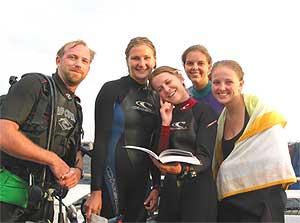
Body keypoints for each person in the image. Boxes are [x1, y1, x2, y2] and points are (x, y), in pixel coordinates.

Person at [0, 40, 95, 222]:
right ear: (58, 60)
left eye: (84, 61)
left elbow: (76, 153)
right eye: (72, 57)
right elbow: (4, 133)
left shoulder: (76, 108)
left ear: (88, 69)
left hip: (42, 203)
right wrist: (52, 159)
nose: (78, 64)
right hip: (7, 195)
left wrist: (76, 173)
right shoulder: (34, 84)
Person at [84, 37, 161, 222]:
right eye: (135, 58)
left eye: (146, 58)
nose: (141, 64)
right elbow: (101, 140)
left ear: (154, 60)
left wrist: (157, 186)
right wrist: (95, 190)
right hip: (112, 180)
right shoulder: (112, 89)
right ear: (127, 60)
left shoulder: (157, 97)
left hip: (142, 184)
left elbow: (155, 146)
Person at [211, 60, 297, 222]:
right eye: (216, 82)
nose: (222, 87)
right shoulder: (221, 120)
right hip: (231, 205)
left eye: (229, 82)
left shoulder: (264, 115)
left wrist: (230, 168)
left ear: (241, 84)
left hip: (263, 203)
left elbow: (276, 160)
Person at [148, 66, 218, 222]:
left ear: (180, 78)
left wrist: (182, 169)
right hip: (171, 192)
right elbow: (160, 156)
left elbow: (206, 158)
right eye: (160, 89)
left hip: (199, 191)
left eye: (168, 82)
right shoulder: (163, 115)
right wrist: (166, 123)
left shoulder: (204, 111)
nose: (166, 89)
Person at [182, 44, 223, 116]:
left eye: (200, 63)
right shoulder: (185, 97)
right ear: (184, 66)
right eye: (190, 63)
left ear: (209, 67)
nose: (195, 67)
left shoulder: (222, 92)